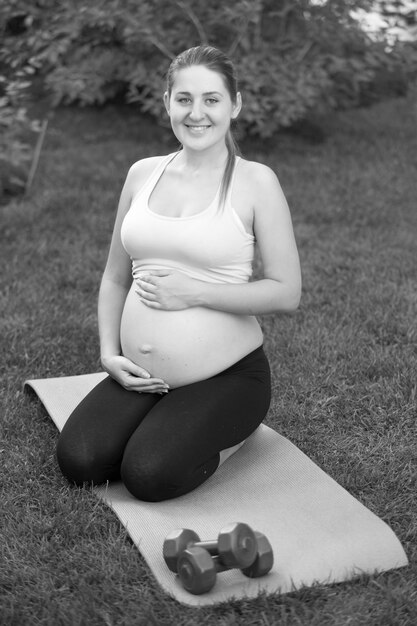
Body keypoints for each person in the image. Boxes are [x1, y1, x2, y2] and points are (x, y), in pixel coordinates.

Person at [56, 45, 301, 502]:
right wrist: (110, 354)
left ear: (235, 105)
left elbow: (287, 292)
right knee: (80, 462)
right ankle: (164, 416)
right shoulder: (142, 174)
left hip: (226, 376)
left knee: (149, 475)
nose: (197, 113)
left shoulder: (255, 182)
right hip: (142, 376)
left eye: (212, 99)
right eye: (184, 99)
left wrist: (195, 292)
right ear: (167, 102)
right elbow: (114, 277)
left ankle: (233, 433)